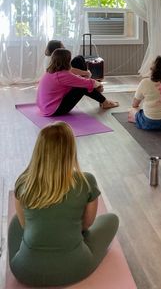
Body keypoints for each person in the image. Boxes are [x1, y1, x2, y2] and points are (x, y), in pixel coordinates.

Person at [8, 122, 119, 287]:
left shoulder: (23, 183)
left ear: (39, 150)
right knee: (112, 219)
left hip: (25, 271)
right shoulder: (86, 181)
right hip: (76, 268)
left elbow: (24, 224)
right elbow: (86, 225)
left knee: (17, 220)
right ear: (71, 150)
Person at [36, 49, 119, 116]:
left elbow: (76, 79)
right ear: (66, 61)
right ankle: (105, 102)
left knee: (83, 83)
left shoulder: (50, 72)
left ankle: (104, 102)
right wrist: (99, 84)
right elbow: (87, 83)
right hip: (54, 110)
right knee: (83, 86)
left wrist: (90, 82)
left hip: (45, 107)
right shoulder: (63, 75)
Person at [128, 56, 161, 130]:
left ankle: (138, 119)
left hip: (151, 122)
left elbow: (135, 104)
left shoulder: (145, 82)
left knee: (132, 110)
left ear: (152, 69)